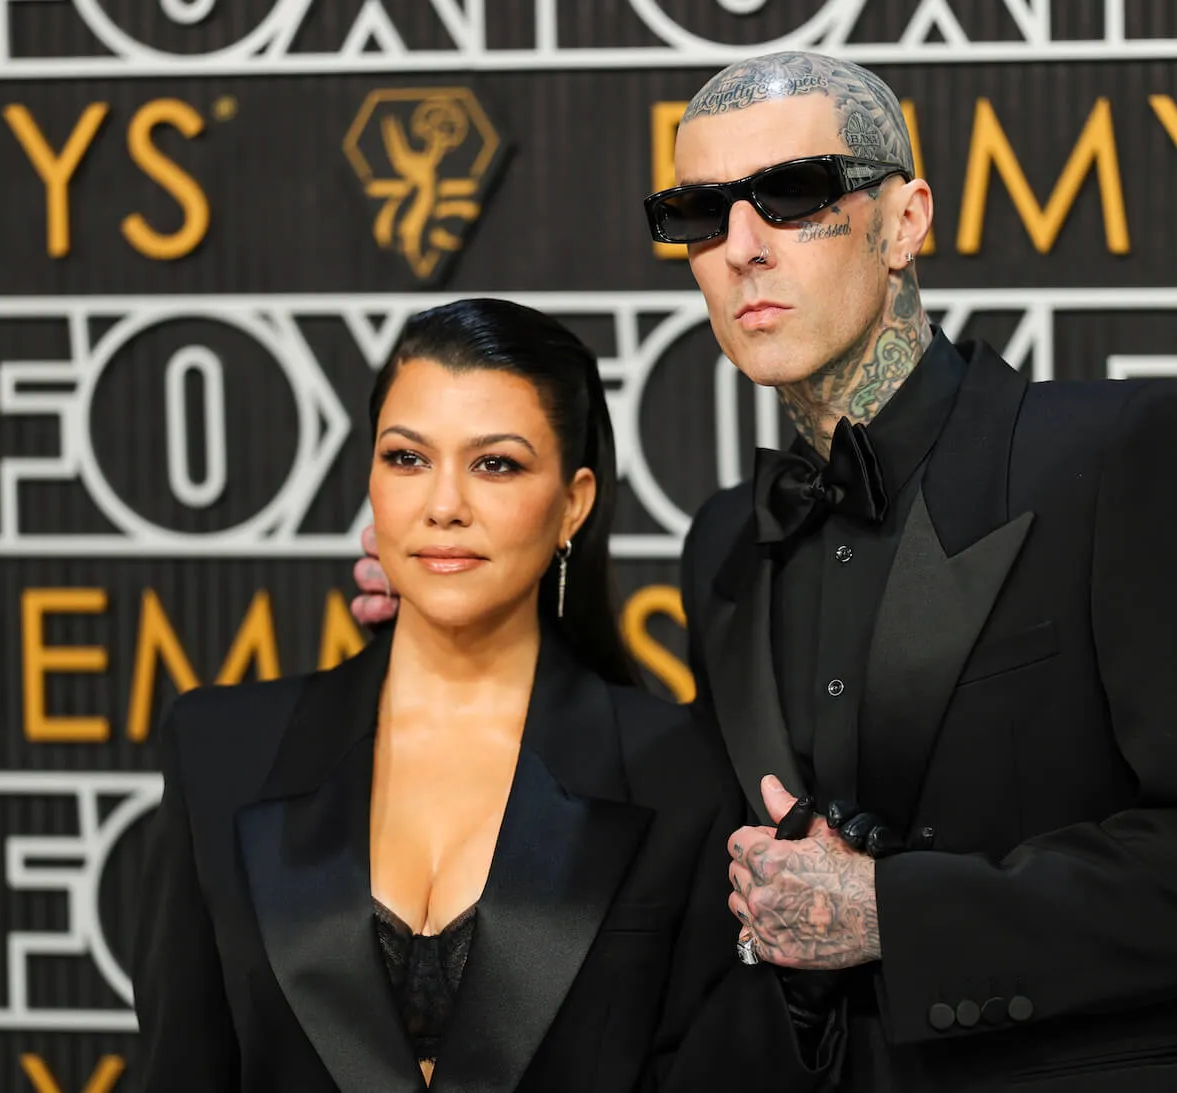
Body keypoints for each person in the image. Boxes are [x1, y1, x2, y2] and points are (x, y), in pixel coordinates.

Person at [351, 54, 1177, 1091]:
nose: (740, 248)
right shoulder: (726, 542)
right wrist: (450, 612)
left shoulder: (1111, 454)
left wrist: (894, 915)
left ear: (905, 221)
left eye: (792, 196)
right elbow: (662, 835)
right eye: (702, 212)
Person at [131, 299, 811, 1093]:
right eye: (407, 458)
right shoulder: (221, 752)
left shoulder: (680, 775)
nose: (443, 504)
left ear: (574, 503)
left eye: (496, 464)